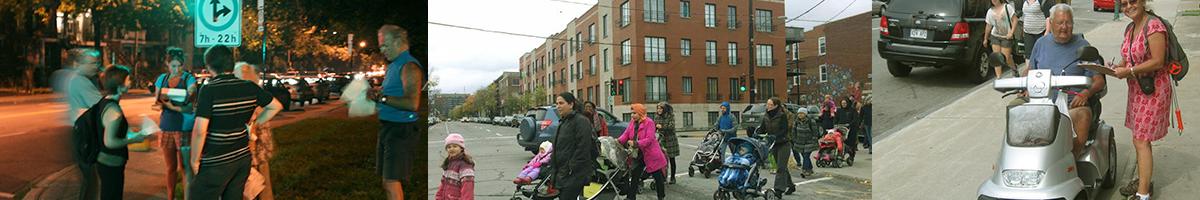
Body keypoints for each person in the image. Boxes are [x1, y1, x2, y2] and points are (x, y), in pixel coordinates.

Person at [189, 45, 283, 200]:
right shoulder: (249, 86)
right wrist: (254, 124)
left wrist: (194, 160)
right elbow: (275, 106)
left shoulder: (209, 90)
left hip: (216, 160)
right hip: (241, 159)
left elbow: (200, 130)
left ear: (209, 66)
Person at [1110, 0, 1172, 199]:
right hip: (1137, 90)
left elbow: (1158, 61)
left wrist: (1128, 70)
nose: (1128, 6)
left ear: (1143, 1)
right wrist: (1116, 67)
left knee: (1141, 140)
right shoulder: (1130, 28)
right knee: (1138, 139)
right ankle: (1143, 181)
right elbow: (1129, 58)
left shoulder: (1154, 26)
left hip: (1154, 90)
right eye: (1124, 3)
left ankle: (1143, 193)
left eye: (1133, 1)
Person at [1025, 4, 1105, 158]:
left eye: (1068, 22)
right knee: (1014, 108)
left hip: (1070, 106)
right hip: (1041, 103)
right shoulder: (1041, 44)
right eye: (1060, 23)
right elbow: (1030, 70)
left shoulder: (1083, 46)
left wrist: (1085, 94)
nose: (1064, 27)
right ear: (1051, 23)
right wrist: (1025, 85)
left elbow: (1099, 80)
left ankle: (1072, 160)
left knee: (1083, 114)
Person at [372, 24, 426, 200]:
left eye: (385, 45)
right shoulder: (394, 65)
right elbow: (390, 93)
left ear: (398, 41)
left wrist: (382, 98)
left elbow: (412, 103)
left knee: (391, 182)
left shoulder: (409, 66)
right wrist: (377, 94)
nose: (382, 50)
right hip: (389, 127)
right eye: (380, 46)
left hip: (401, 129)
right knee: (387, 182)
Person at [93, 65, 150, 200]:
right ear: (119, 84)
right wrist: (134, 140)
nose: (130, 82)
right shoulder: (114, 111)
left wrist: (133, 134)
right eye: (128, 79)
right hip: (111, 162)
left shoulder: (105, 102)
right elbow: (110, 142)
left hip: (104, 161)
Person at [56, 48, 103, 200]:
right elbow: (102, 106)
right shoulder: (81, 82)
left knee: (89, 180)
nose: (96, 66)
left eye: (97, 63)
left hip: (78, 132)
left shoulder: (74, 78)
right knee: (91, 181)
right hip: (83, 134)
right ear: (79, 64)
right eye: (91, 63)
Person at [151, 47, 196, 200]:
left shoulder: (188, 79)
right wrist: (160, 104)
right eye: (173, 66)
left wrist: (172, 105)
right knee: (170, 167)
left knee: (185, 167)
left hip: (183, 128)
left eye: (179, 66)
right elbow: (157, 101)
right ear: (167, 64)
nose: (176, 69)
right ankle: (170, 197)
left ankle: (187, 197)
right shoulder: (162, 79)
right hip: (167, 126)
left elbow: (190, 102)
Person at [235, 62, 276, 200]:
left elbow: (251, 131)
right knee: (263, 185)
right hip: (261, 151)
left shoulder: (246, 99)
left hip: (253, 153)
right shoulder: (257, 95)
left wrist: (249, 153)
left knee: (251, 188)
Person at [549, 92, 597, 199]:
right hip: (562, 172)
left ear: (571, 104)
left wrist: (571, 167)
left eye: (561, 103)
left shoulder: (581, 121)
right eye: (557, 103)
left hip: (574, 174)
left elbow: (583, 147)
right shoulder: (563, 122)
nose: (558, 106)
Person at [618, 103, 667, 200]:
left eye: (634, 113)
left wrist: (636, 143)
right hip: (638, 154)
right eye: (631, 113)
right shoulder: (632, 122)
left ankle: (661, 196)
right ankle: (631, 197)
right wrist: (618, 141)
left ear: (640, 113)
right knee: (635, 176)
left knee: (657, 176)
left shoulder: (649, 122)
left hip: (651, 154)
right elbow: (626, 134)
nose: (632, 115)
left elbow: (649, 139)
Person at [761, 97, 795, 198]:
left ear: (776, 106)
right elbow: (762, 128)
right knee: (782, 166)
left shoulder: (782, 115)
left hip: (783, 143)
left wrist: (776, 136)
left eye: (770, 104)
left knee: (781, 167)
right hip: (774, 144)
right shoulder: (766, 115)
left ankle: (779, 190)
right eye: (767, 104)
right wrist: (754, 131)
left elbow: (784, 129)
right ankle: (791, 185)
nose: (768, 106)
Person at [985, 0, 1018, 79]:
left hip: (1006, 37)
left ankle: (1014, 68)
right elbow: (988, 25)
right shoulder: (990, 11)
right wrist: (985, 38)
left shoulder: (1007, 7)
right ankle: (999, 77)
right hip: (995, 36)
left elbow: (1015, 20)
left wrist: (1011, 32)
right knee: (997, 58)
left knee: (1006, 58)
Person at [1015, 0, 1055, 65]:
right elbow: (1025, 16)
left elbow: (1048, 17)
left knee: (1042, 54)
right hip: (1027, 32)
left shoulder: (1042, 1)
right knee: (1028, 55)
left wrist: (1047, 31)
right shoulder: (1024, 1)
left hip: (1041, 32)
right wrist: (1023, 30)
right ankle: (1029, 69)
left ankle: (1042, 69)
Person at [436, 133, 475, 200]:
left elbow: (467, 189)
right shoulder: (448, 162)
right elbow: (443, 184)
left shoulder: (465, 165)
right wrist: (438, 197)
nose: (451, 149)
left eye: (455, 146)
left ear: (461, 148)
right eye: (449, 147)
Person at [654, 102, 680, 184]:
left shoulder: (670, 116)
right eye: (658, 108)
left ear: (664, 109)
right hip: (662, 139)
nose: (659, 110)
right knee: (661, 159)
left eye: (660, 108)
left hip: (670, 139)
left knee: (671, 159)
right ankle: (663, 177)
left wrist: (662, 127)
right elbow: (654, 126)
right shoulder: (657, 116)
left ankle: (673, 177)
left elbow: (671, 126)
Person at [791, 107, 820, 178]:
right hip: (799, 142)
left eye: (802, 113)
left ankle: (805, 170)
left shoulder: (811, 121)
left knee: (806, 155)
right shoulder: (796, 122)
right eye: (799, 113)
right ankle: (810, 169)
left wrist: (814, 140)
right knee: (804, 156)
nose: (800, 115)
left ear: (805, 114)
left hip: (809, 142)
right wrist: (794, 139)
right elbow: (794, 131)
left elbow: (815, 132)